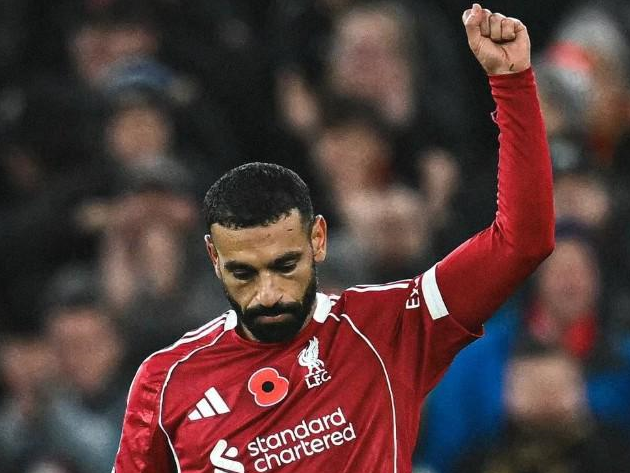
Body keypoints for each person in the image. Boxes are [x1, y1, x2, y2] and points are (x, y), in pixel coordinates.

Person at [113, 4, 555, 472]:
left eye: (285, 265)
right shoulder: (165, 383)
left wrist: (512, 85)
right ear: (214, 259)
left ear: (318, 240)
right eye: (243, 273)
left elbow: (522, 243)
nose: (268, 294)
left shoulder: (388, 328)